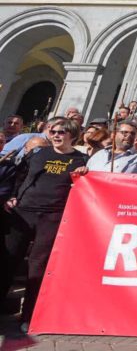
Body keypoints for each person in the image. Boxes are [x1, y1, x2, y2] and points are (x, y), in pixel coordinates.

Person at [0, 119, 87, 332]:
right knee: (7, 263)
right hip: (23, 213)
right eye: (53, 131)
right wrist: (12, 197)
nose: (56, 135)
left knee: (37, 268)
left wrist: (86, 174)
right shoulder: (38, 154)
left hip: (53, 217)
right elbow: (19, 176)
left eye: (62, 132)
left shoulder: (82, 159)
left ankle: (28, 316)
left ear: (72, 135)